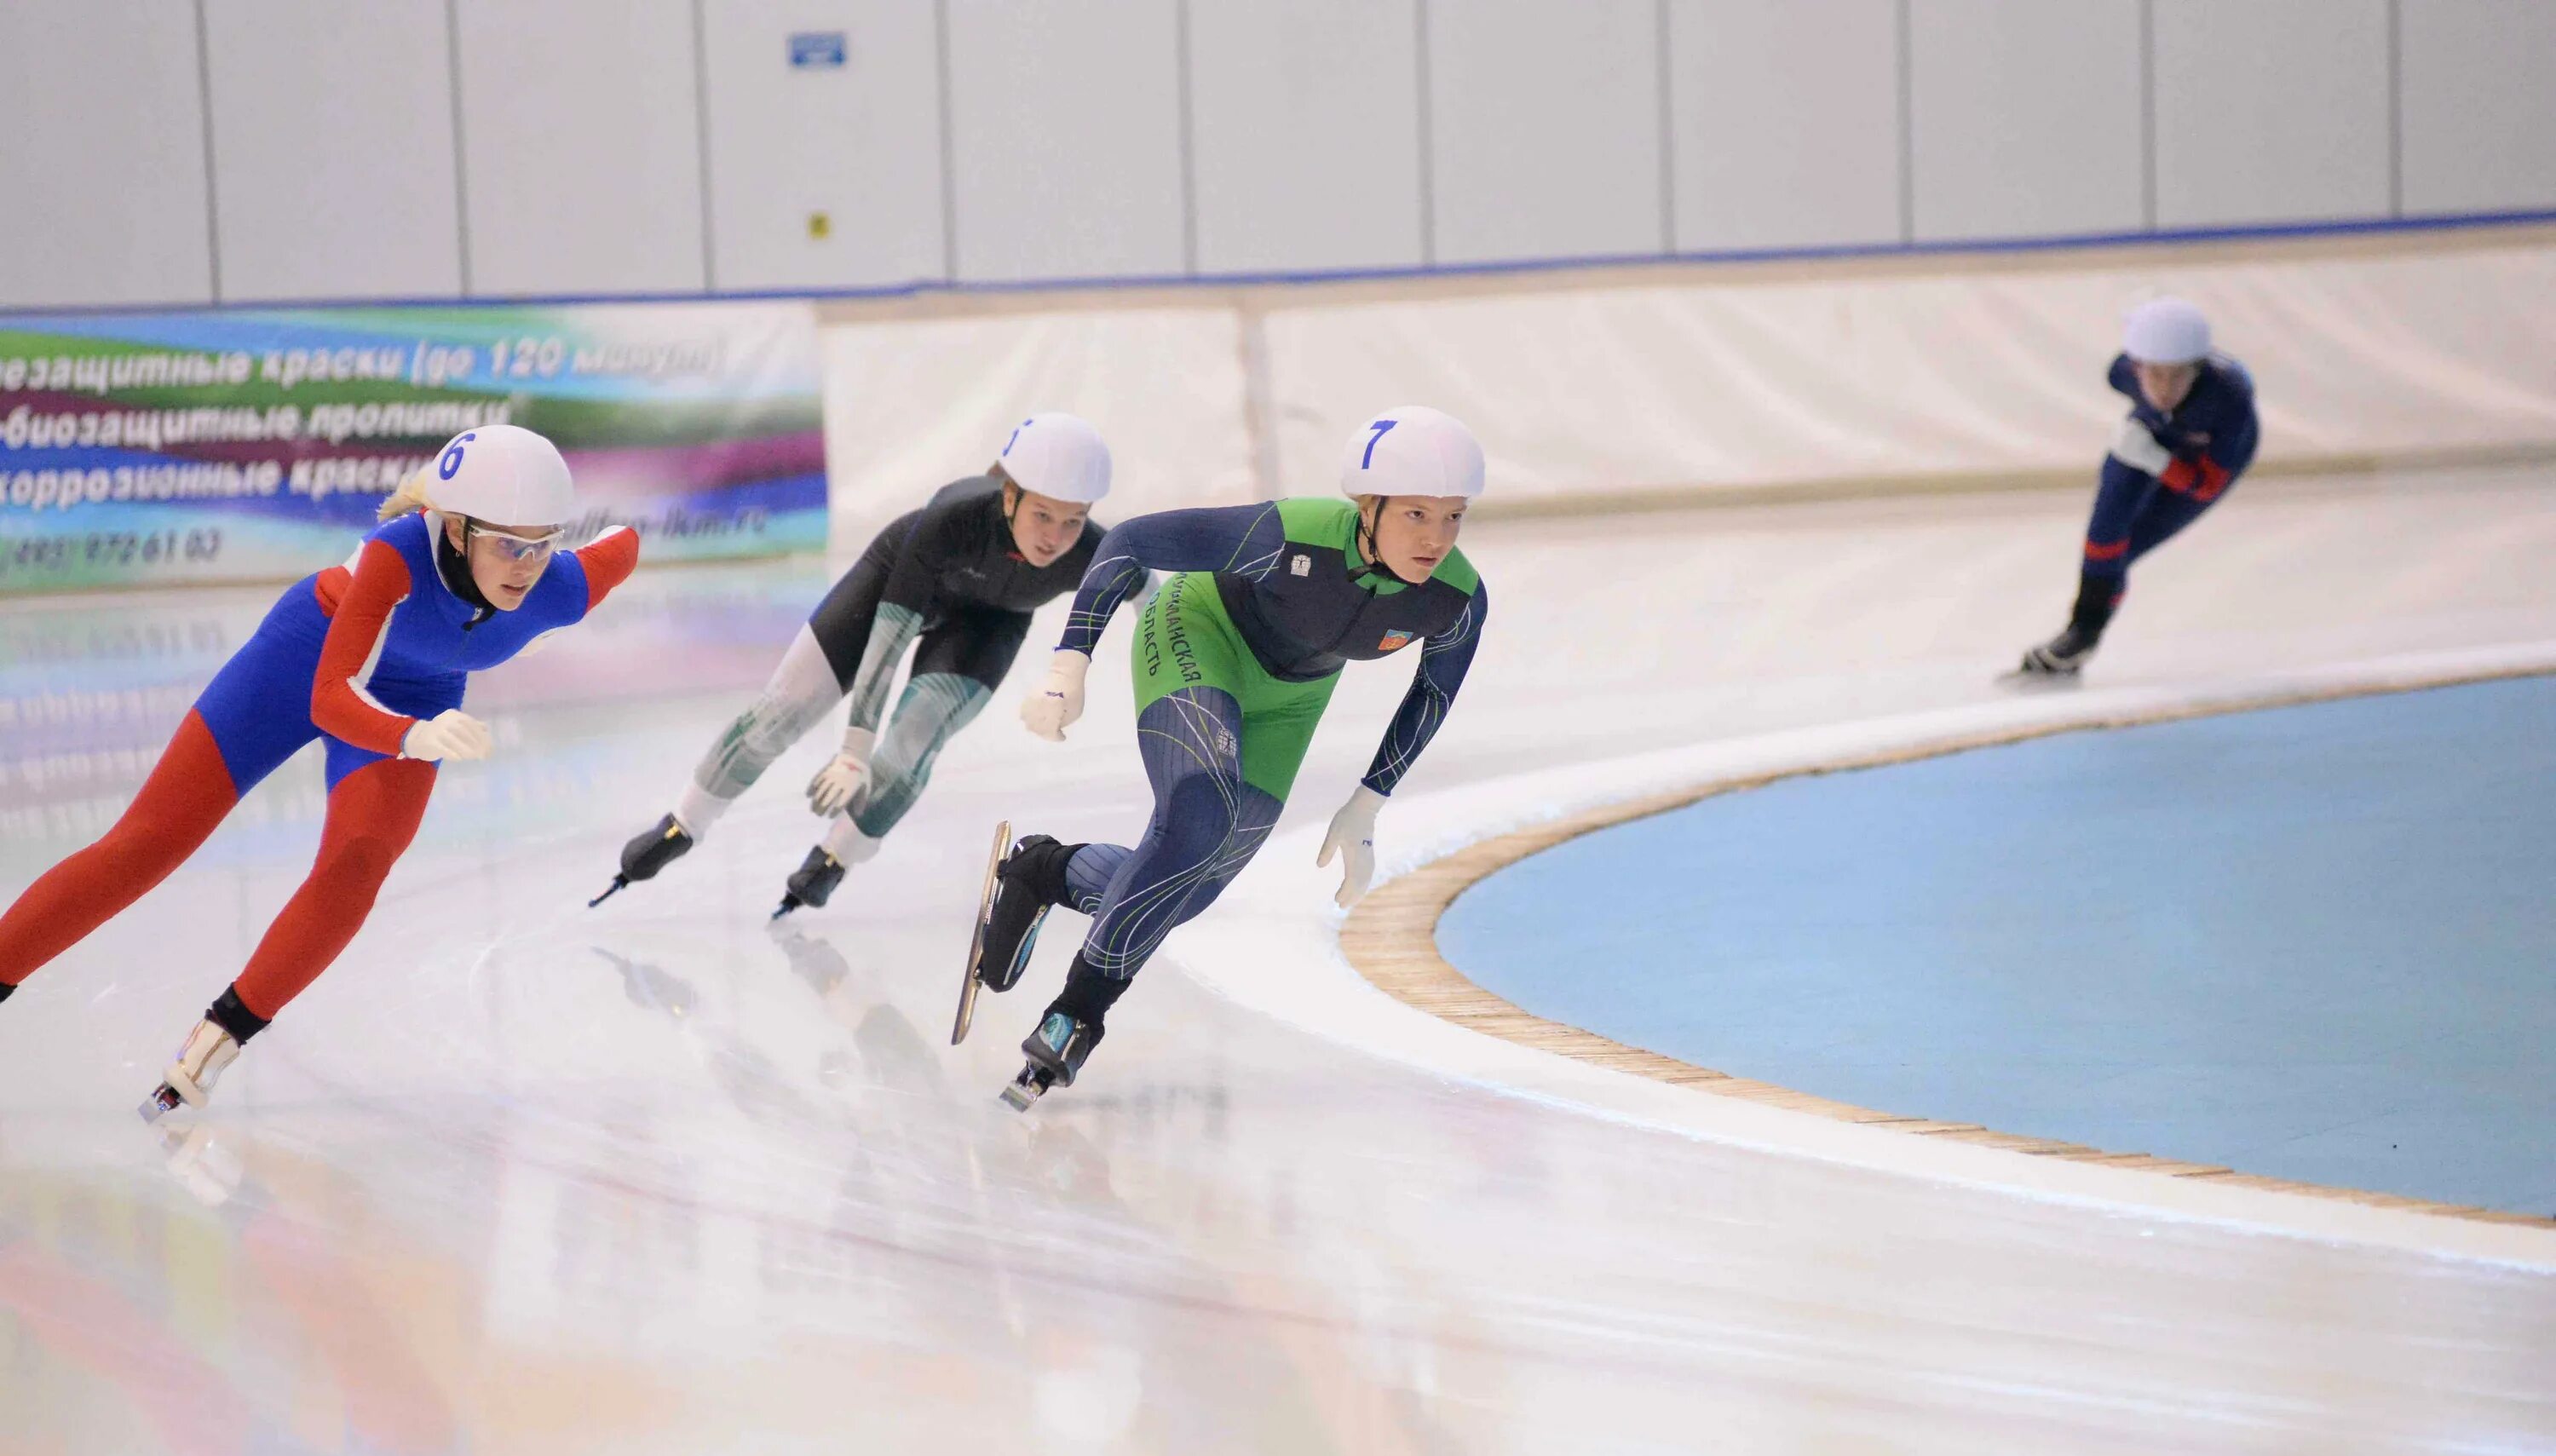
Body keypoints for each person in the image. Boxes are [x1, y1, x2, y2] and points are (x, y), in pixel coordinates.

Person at [0, 424, 636, 1115]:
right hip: (306, 656)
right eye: (509, 544)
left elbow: (625, 545)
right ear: (455, 530)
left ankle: (216, 1042)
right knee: (152, 839)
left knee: (360, 864)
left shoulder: (561, 588)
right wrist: (412, 736)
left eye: (543, 544)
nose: (528, 565)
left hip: (418, 693)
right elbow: (330, 697)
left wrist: (414, 721)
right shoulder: (396, 556)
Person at [964, 405, 1490, 1107]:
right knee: (1197, 819)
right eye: (1417, 515)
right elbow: (1127, 542)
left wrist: (1369, 801)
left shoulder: (1457, 598)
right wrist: (1070, 663)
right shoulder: (1289, 534)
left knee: (1189, 889)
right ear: (1369, 506)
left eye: (1453, 516)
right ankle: (1078, 1015)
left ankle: (1042, 870)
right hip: (1200, 629)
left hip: (1293, 699)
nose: (1436, 539)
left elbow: (1431, 694)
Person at [594, 414, 1113, 917]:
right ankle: (683, 822)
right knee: (783, 712)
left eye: (1073, 520)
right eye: (1042, 514)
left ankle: (834, 857)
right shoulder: (953, 518)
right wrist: (852, 751)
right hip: (892, 587)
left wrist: (1068, 680)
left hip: (989, 625)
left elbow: (1150, 597)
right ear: (1009, 497)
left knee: (911, 745)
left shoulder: (1093, 549)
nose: (1054, 537)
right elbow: (887, 643)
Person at [2019, 296, 2260, 676]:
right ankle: (2081, 633)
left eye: (2177, 376)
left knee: (2127, 547)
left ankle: (2086, 630)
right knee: (2102, 540)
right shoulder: (2120, 372)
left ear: (2197, 370)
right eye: (2154, 375)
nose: (2164, 388)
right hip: (2152, 434)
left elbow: (2205, 487)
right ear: (2136, 366)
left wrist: (2157, 460)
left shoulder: (2230, 399)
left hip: (2206, 458)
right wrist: (2146, 448)